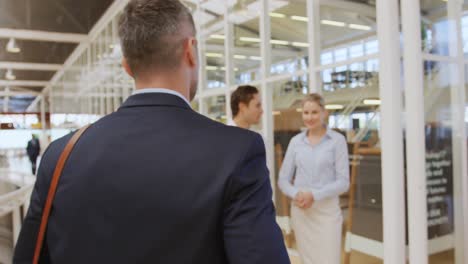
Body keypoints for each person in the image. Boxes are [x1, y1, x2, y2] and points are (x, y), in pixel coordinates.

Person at [13, 0, 290, 263]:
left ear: (126, 66)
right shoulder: (237, 152)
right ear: (190, 50)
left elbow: (29, 257)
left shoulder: (62, 155)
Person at [278, 93, 349, 264]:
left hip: (327, 213)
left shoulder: (337, 141)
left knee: (329, 260)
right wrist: (297, 194)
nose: (310, 117)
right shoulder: (296, 142)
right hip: (302, 211)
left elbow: (343, 182)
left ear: (324, 113)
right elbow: (283, 179)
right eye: (306, 112)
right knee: (307, 260)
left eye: (315, 112)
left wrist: (314, 195)